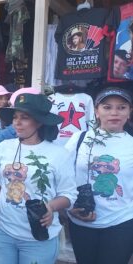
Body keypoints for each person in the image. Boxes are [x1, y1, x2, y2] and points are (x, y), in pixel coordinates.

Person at [0, 93, 77, 264]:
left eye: (24, 118)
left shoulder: (59, 154)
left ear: (40, 121)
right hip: (2, 231)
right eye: (15, 117)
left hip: (38, 236)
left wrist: (50, 206)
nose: (17, 122)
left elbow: (69, 195)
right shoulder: (3, 147)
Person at [65, 87, 133, 264]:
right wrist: (69, 207)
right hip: (80, 222)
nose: (114, 113)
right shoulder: (79, 139)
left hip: (121, 223)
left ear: (129, 112)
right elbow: (62, 176)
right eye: (107, 107)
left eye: (121, 107)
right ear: (96, 111)